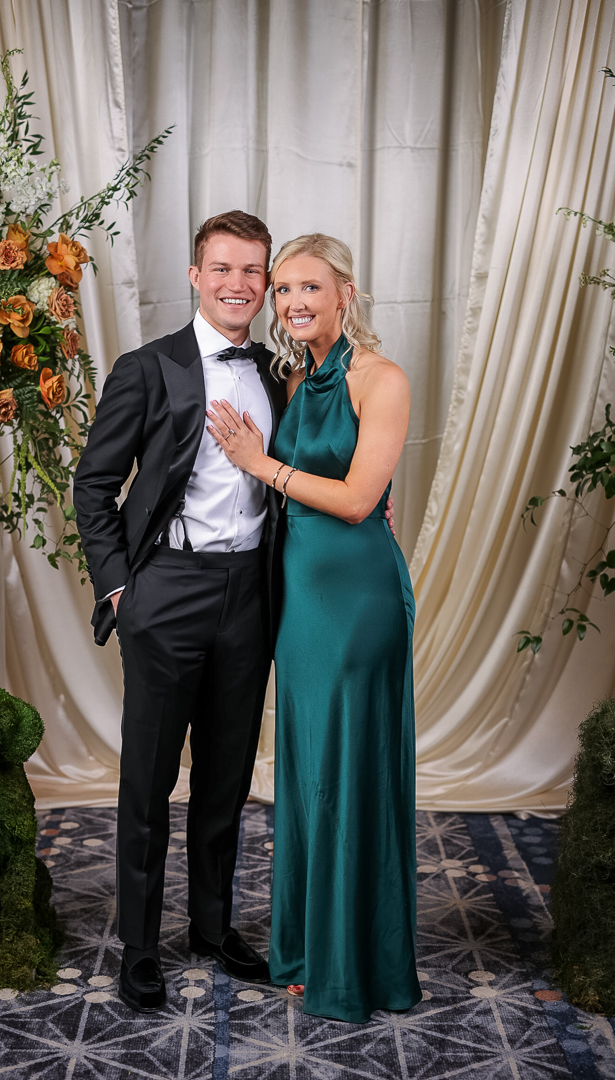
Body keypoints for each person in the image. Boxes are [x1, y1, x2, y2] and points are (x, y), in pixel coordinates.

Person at [73, 211, 287, 1013]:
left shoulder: (278, 372)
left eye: (253, 271)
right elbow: (95, 485)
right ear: (196, 276)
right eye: (223, 268)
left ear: (266, 283)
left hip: (250, 594)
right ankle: (138, 946)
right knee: (149, 780)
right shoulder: (148, 368)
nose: (239, 284)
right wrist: (120, 588)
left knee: (226, 777)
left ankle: (211, 927)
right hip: (166, 590)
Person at [206, 233, 421, 1023]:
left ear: (345, 295)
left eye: (311, 288)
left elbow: (361, 500)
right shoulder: (292, 376)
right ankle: (306, 948)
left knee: (350, 766)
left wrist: (259, 464)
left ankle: (353, 964)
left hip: (358, 599)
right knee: (309, 771)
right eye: (285, 289)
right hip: (300, 600)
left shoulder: (382, 379)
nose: (295, 302)